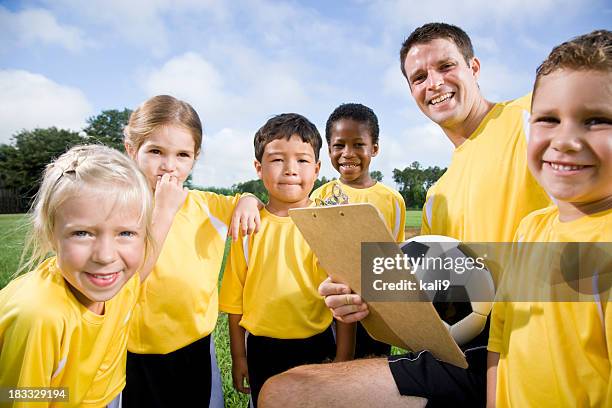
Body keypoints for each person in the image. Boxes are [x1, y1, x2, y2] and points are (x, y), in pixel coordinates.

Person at [259, 23, 550, 407]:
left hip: (541, 343)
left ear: (474, 68)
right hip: (471, 352)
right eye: (418, 77)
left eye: (446, 66)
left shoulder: (531, 117)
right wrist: (367, 297)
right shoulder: (437, 196)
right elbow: (432, 305)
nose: (433, 83)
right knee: (283, 392)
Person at [487, 29, 612, 407]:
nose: (565, 140)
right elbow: (501, 337)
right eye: (548, 119)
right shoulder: (531, 227)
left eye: (596, 120)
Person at [121, 95, 263, 407]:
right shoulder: (119, 209)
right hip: (133, 352)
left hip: (197, 345)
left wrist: (249, 199)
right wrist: (163, 212)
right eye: (156, 151)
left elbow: (248, 200)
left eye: (182, 155)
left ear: (195, 157)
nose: (169, 166)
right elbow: (127, 281)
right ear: (132, 150)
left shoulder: (206, 205)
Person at [0, 145, 157, 407]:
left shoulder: (122, 283)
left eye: (126, 233)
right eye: (82, 233)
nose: (106, 256)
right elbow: (14, 396)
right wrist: (68, 395)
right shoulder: (40, 317)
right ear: (51, 234)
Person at [219, 113, 355, 407]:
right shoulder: (248, 227)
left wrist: (343, 361)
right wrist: (239, 358)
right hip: (261, 349)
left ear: (317, 168)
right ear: (258, 167)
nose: (291, 170)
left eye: (303, 160)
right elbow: (234, 303)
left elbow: (344, 302)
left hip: (317, 345)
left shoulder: (328, 227)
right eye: (278, 159)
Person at [311, 102, 406, 357]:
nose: (347, 153)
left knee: (371, 368)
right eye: (339, 145)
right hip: (331, 305)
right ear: (329, 150)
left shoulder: (392, 200)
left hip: (374, 308)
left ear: (374, 148)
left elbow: (393, 255)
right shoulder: (320, 196)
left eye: (358, 145)